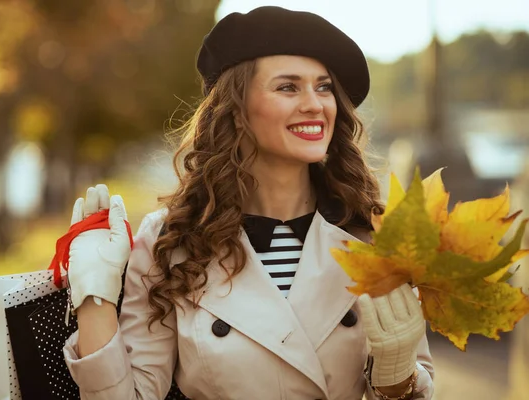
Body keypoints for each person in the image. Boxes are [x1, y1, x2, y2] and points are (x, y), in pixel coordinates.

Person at [62, 6, 434, 400]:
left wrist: (396, 374)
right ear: (236, 110)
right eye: (288, 87)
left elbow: (418, 383)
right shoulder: (169, 242)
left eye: (323, 87)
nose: (314, 104)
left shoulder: (374, 235)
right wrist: (95, 296)